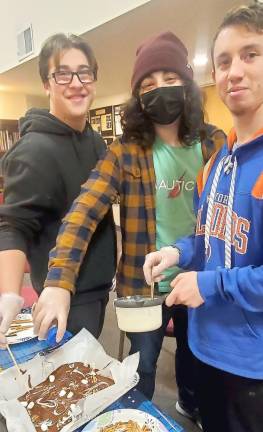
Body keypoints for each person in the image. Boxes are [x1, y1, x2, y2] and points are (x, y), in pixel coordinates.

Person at [33, 31, 213, 425]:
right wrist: (59, 280)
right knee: (143, 363)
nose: (159, 90)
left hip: (200, 281)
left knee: (195, 356)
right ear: (137, 96)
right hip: (142, 289)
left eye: (170, 79)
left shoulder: (211, 143)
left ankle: (189, 402)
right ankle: (137, 415)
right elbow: (83, 211)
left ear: (187, 83)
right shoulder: (125, 151)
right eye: (148, 84)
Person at [144, 4, 263, 432]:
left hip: (252, 368)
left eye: (251, 54)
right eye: (224, 61)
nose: (235, 71)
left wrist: (208, 283)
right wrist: (177, 251)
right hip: (204, 352)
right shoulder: (216, 163)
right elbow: (210, 240)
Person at [0, 33, 116, 347]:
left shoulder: (93, 140)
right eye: (63, 73)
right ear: (47, 84)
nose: (76, 82)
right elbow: (12, 225)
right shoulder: (34, 150)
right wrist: (10, 292)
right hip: (62, 297)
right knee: (69, 386)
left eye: (84, 72)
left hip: (97, 291)